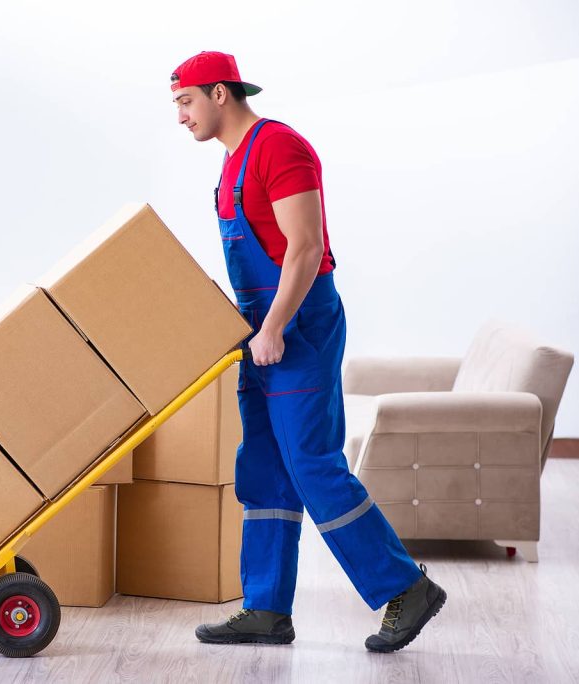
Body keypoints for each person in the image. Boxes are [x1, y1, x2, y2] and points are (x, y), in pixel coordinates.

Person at [170, 51, 446, 652]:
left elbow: (306, 247)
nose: (181, 116)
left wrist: (273, 328)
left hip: (297, 328)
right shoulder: (229, 164)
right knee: (264, 466)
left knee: (312, 463)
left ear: (221, 93)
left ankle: (407, 587)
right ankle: (266, 608)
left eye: (186, 101)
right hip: (259, 331)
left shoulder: (279, 148)